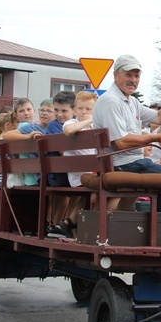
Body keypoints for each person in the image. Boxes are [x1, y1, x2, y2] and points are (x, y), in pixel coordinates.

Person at [93, 54, 161, 248]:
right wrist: (156, 137)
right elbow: (120, 142)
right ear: (116, 75)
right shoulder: (112, 101)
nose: (133, 80)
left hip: (131, 162)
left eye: (137, 76)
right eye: (129, 74)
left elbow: (160, 117)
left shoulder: (130, 101)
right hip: (122, 164)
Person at [46, 91, 99, 239]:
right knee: (96, 188)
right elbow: (68, 131)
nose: (84, 112)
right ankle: (68, 224)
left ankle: (68, 225)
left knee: (92, 190)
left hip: (88, 171)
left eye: (88, 109)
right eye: (80, 108)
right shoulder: (72, 123)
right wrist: (88, 121)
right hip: (78, 174)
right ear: (74, 110)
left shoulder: (94, 125)